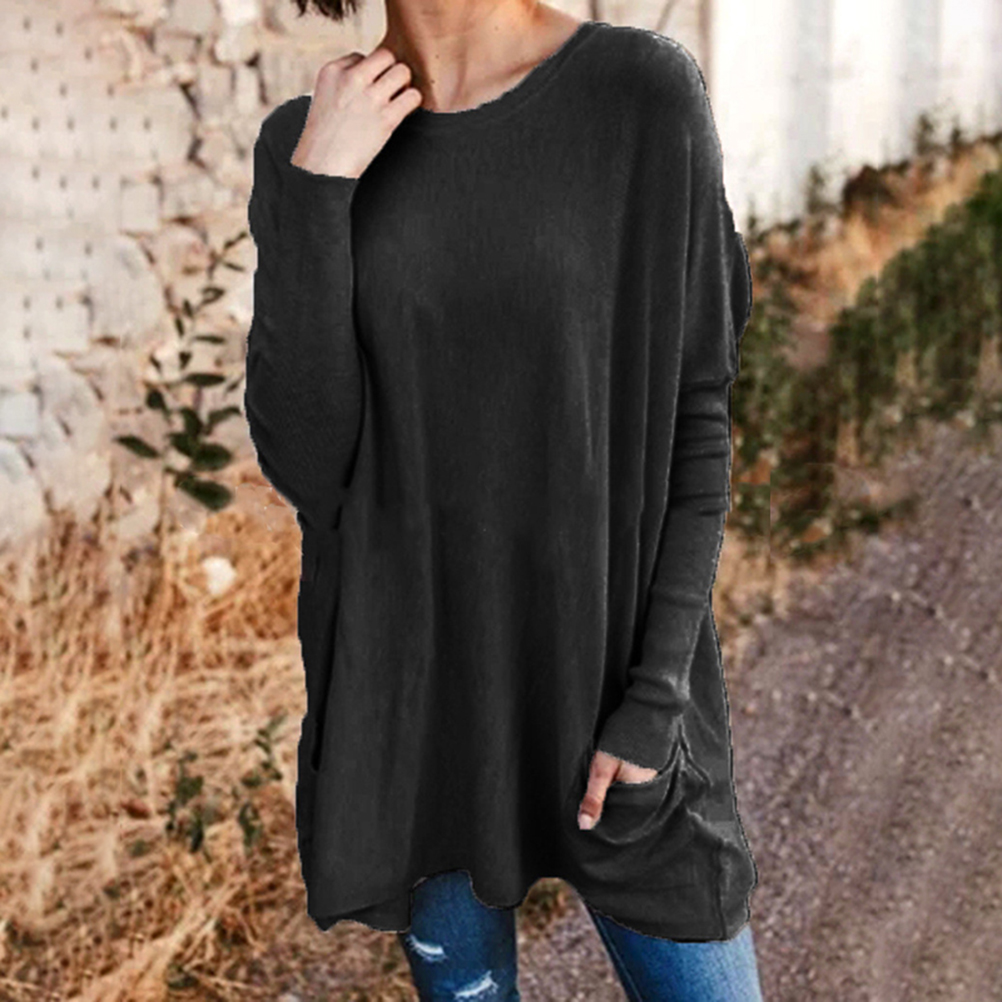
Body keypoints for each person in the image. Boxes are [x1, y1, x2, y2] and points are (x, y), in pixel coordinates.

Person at [244, 0, 762, 998]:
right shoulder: (307, 141)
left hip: (609, 698)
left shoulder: (638, 94)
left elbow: (695, 415)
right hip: (419, 722)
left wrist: (655, 703)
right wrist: (318, 190)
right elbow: (309, 466)